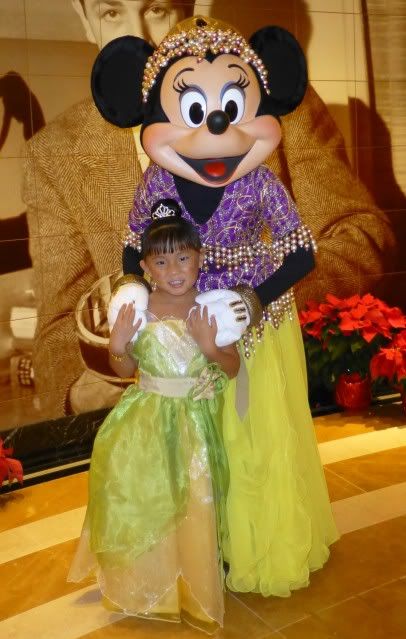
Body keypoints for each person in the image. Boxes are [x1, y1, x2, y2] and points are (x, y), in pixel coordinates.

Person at [23, 0, 395, 419]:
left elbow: (361, 238)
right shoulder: (54, 155)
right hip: (156, 418)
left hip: (277, 400)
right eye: (112, 13)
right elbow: (56, 335)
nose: (140, 37)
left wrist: (247, 306)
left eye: (156, 10)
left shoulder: (271, 104)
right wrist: (88, 390)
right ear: (85, 19)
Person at [92, 15, 340, 598]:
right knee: (195, 449)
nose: (217, 125)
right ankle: (203, 549)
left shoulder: (260, 184)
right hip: (182, 328)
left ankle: (253, 547)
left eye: (231, 105)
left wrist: (253, 299)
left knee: (252, 442)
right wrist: (134, 287)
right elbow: (134, 243)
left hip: (253, 328)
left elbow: (302, 252)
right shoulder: (157, 183)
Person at [68, 214, 239, 632]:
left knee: (194, 502)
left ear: (199, 258)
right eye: (161, 262)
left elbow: (232, 367)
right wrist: (118, 344)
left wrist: (209, 347)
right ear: (145, 267)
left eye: (183, 258)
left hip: (193, 425)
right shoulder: (138, 309)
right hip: (143, 422)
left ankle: (193, 588)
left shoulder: (212, 308)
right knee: (148, 499)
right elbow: (125, 368)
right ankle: (153, 589)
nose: (173, 270)